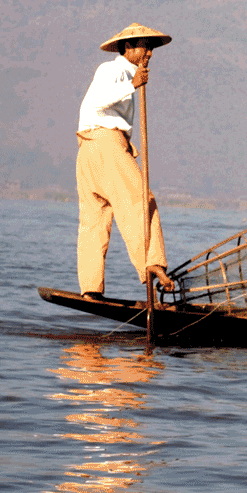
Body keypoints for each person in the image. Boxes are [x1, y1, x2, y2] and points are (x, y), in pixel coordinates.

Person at [76, 22, 176, 300]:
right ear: (128, 47)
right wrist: (133, 84)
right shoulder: (114, 69)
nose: (150, 54)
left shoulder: (124, 73)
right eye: (145, 47)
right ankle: (153, 262)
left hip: (89, 149)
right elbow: (97, 101)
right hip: (105, 145)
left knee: (94, 220)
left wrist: (133, 83)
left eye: (152, 48)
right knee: (140, 200)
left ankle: (91, 288)